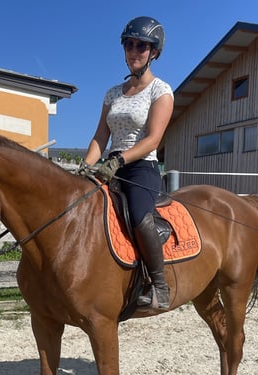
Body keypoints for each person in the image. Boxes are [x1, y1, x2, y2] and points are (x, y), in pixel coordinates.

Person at [79, 16, 174, 309]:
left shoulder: (161, 90)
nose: (134, 51)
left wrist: (119, 160)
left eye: (142, 46)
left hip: (140, 166)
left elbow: (153, 139)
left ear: (154, 52)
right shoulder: (111, 94)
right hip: (110, 166)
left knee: (137, 216)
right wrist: (84, 168)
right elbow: (99, 137)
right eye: (130, 45)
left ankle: (158, 284)